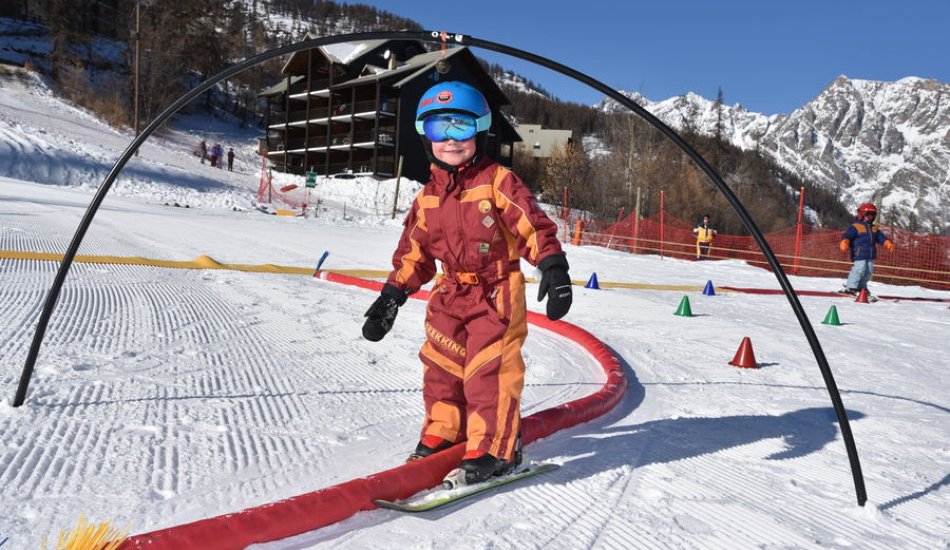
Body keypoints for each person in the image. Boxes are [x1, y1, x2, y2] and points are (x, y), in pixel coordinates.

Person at [361, 81, 572, 487]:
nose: (451, 140)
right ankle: (446, 429)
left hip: (496, 292)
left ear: (481, 130)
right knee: (440, 365)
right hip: (449, 293)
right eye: (440, 129)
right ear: (426, 136)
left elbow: (532, 226)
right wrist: (391, 296)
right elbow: (413, 253)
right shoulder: (427, 198)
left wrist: (553, 266)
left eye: (461, 127)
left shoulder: (498, 182)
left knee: (488, 372)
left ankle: (497, 448)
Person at [838, 202, 894, 296]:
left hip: (871, 254)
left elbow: (880, 237)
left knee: (868, 271)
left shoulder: (874, 228)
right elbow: (847, 235)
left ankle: (862, 287)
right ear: (862, 215)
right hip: (859, 253)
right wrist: (845, 241)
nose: (870, 217)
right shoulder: (856, 226)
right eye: (868, 214)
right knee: (859, 269)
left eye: (872, 215)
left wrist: (887, 243)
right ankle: (851, 287)